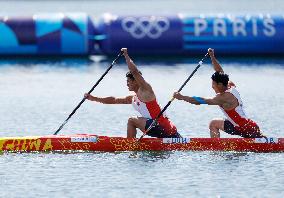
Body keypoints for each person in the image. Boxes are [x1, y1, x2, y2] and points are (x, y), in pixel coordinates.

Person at [85, 48, 180, 138]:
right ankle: (132, 143)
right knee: (132, 120)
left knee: (131, 120)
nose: (127, 83)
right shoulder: (133, 98)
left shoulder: (146, 91)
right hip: (162, 129)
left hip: (164, 128)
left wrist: (126, 55)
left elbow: (134, 71)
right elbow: (114, 100)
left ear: (135, 81)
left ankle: (130, 145)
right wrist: (93, 98)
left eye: (128, 81)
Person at [173, 48, 265, 138]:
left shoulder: (224, 97)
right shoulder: (229, 84)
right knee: (213, 123)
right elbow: (220, 71)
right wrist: (212, 56)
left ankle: (259, 139)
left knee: (214, 123)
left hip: (248, 129)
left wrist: (182, 97)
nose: (212, 86)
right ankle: (217, 148)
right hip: (239, 126)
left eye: (213, 84)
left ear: (220, 84)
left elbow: (200, 101)